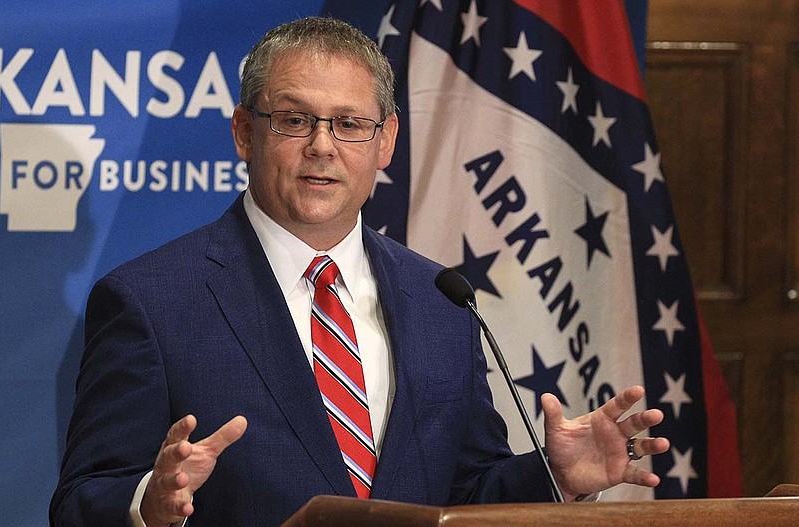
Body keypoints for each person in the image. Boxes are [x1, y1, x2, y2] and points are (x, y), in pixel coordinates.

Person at [50, 17, 669, 527]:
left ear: (385, 141)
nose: (323, 145)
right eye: (293, 120)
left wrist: (554, 476)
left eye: (349, 124)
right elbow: (80, 502)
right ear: (244, 132)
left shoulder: (440, 300)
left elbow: (466, 491)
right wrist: (148, 505)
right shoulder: (151, 301)